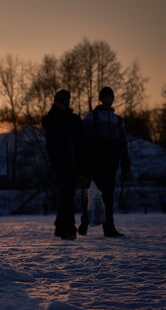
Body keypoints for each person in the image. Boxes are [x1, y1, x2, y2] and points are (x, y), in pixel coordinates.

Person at [80, 86, 129, 237]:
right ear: (101, 99)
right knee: (91, 196)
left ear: (113, 98)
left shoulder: (118, 120)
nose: (108, 99)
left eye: (110, 96)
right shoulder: (91, 117)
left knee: (108, 198)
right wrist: (83, 164)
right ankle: (84, 224)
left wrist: (125, 164)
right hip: (94, 165)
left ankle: (109, 228)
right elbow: (82, 141)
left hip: (111, 165)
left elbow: (123, 144)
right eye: (105, 97)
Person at [42, 90, 85, 240]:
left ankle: (61, 227)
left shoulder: (70, 119)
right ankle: (68, 227)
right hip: (61, 163)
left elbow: (80, 141)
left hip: (71, 162)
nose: (60, 104)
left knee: (66, 195)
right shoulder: (53, 118)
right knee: (66, 194)